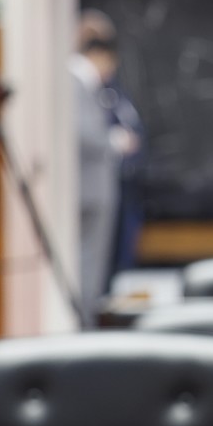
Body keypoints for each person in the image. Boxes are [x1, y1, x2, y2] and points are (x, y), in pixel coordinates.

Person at [70, 32, 131, 327]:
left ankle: (87, 316)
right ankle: (85, 321)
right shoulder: (78, 80)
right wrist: (115, 142)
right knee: (89, 260)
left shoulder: (83, 83)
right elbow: (85, 134)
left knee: (91, 260)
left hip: (92, 187)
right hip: (90, 189)